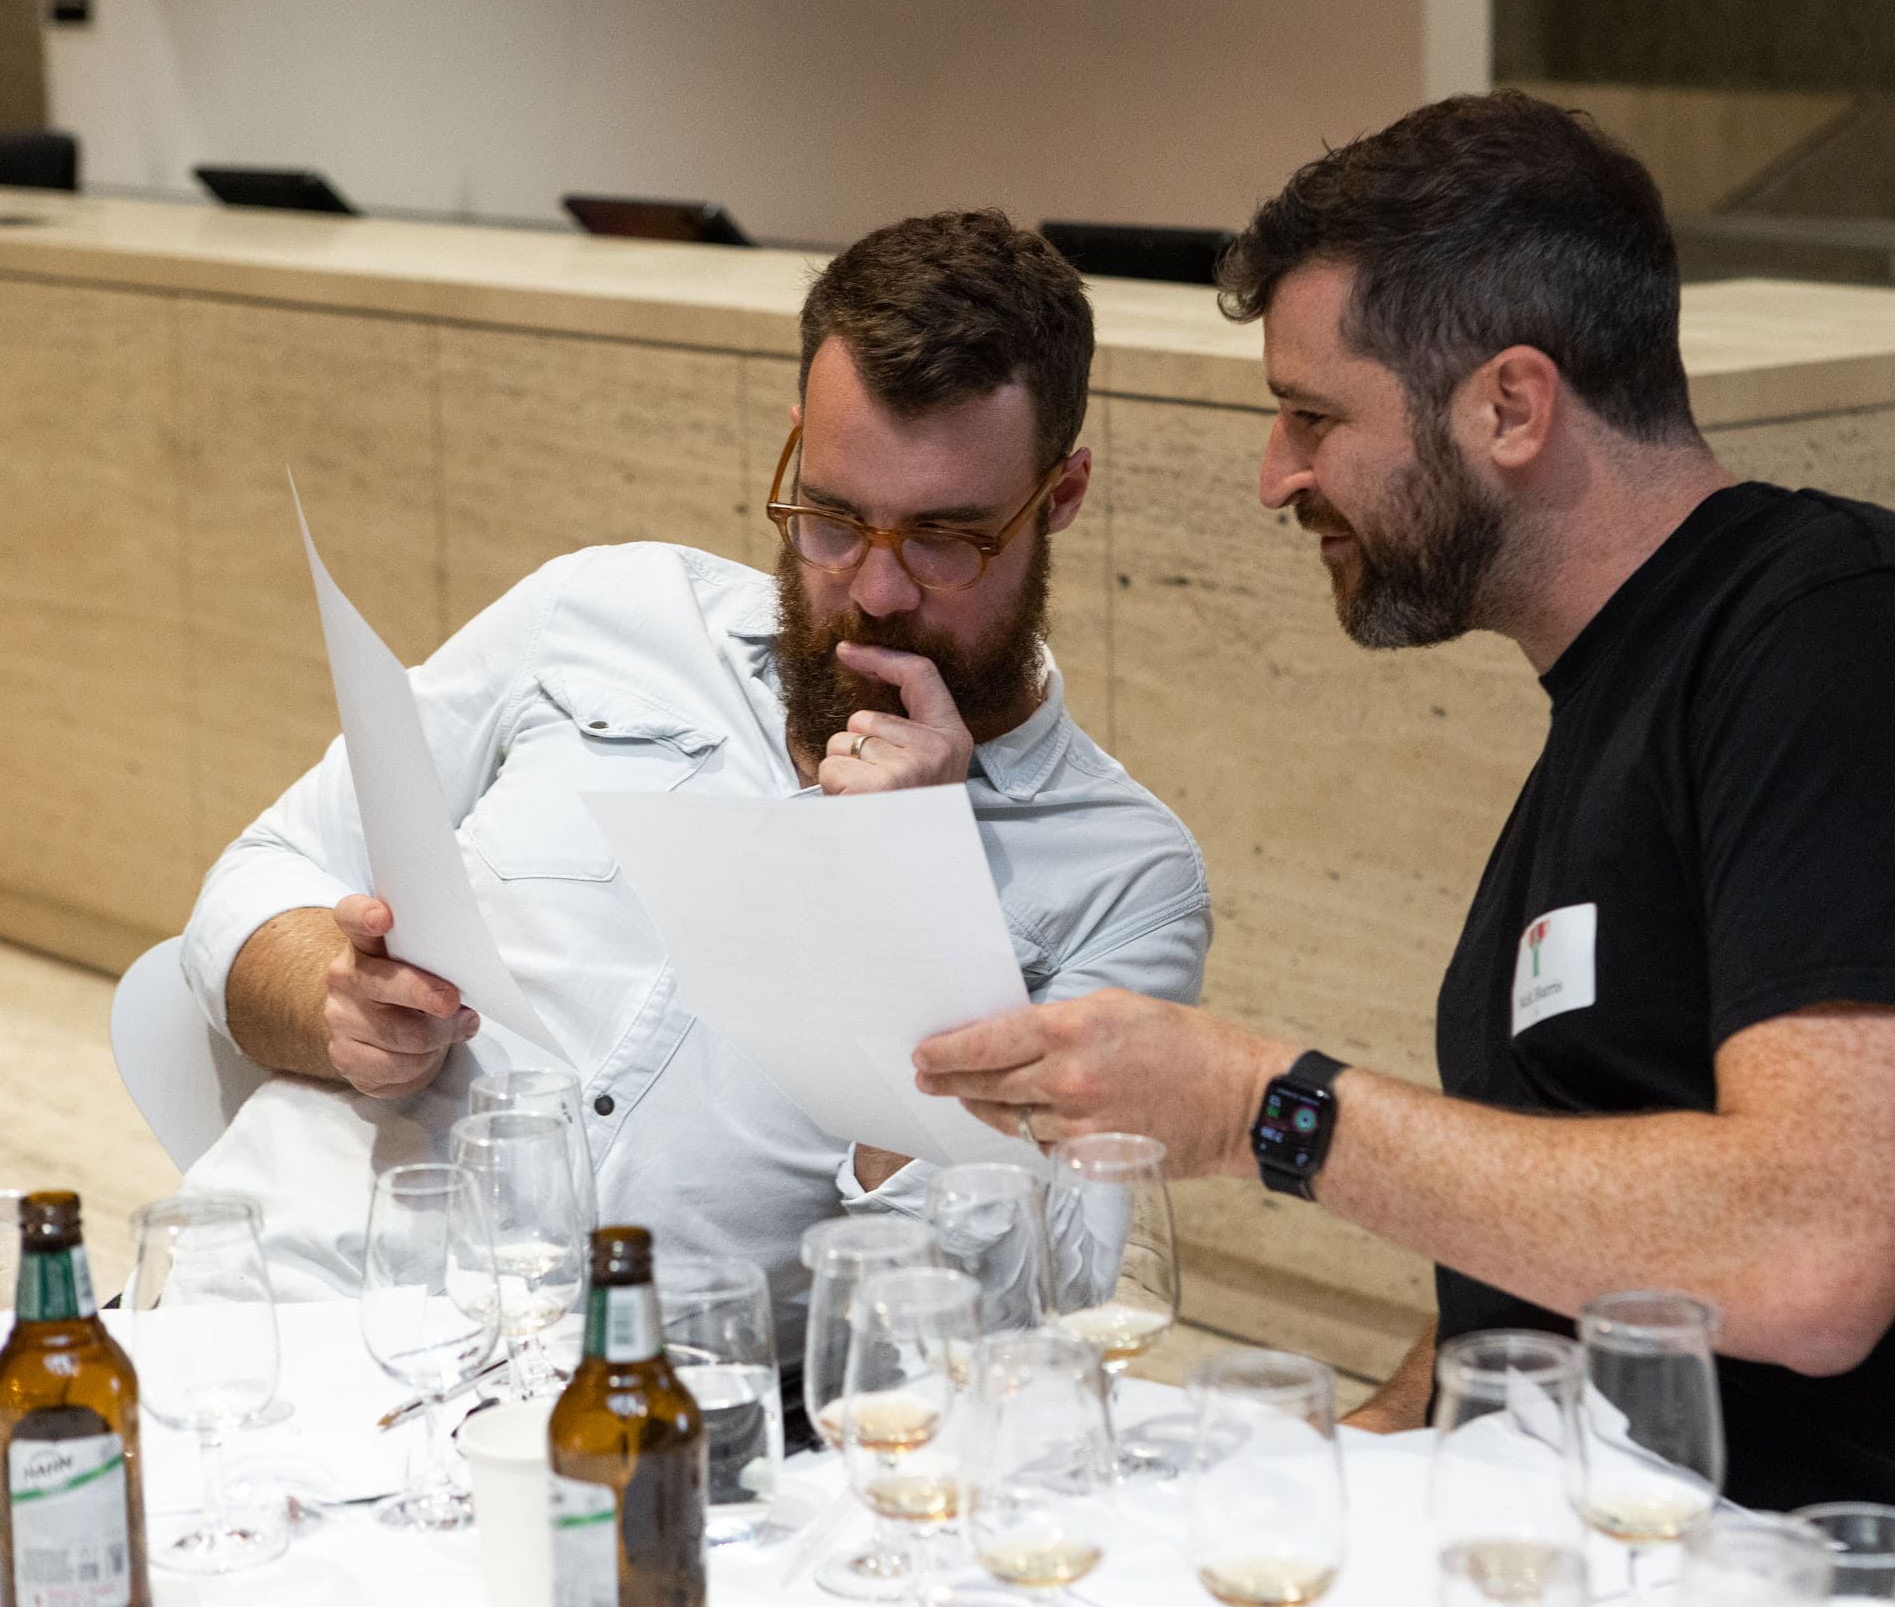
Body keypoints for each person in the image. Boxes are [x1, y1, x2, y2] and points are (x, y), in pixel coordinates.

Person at [910, 95, 1895, 1604]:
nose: (1275, 476)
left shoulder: (1865, 646)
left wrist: (1272, 1109)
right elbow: (1564, 1227)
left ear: (1513, 406)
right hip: (1690, 1542)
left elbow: (1809, 1255)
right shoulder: (1619, 713)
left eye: (1314, 417)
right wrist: (1367, 1458)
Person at [177, 211, 1211, 1347]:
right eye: (832, 516)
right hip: (271, 1297)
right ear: (795, 447)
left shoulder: (1124, 878)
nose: (875, 591)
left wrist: (910, 909)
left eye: (944, 539)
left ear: (1059, 499)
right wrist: (332, 999)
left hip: (633, 1403)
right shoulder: (600, 612)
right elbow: (265, 871)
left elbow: (1029, 1305)